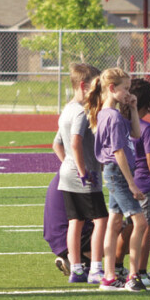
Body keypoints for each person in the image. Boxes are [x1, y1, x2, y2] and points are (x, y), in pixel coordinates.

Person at [85, 67, 148, 292]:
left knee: (114, 224)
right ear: (112, 89)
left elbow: (137, 134)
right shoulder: (110, 115)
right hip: (117, 173)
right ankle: (132, 275)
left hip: (115, 172)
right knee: (140, 222)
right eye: (126, 89)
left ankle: (109, 276)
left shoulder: (111, 113)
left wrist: (131, 108)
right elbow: (119, 152)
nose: (129, 92)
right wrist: (131, 184)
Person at [53, 63, 108, 284]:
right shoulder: (83, 111)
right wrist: (83, 171)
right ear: (84, 86)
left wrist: (68, 164)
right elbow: (75, 142)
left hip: (68, 173)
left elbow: (57, 144)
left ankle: (76, 269)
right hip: (83, 176)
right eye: (97, 87)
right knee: (101, 220)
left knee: (75, 221)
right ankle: (95, 268)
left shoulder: (67, 109)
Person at [120, 78, 150, 286]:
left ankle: (119, 266)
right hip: (144, 183)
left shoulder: (121, 123)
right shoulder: (148, 128)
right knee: (146, 229)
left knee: (126, 227)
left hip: (125, 182)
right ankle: (142, 272)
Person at [43, 172, 93, 276]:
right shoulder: (79, 177)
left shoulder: (66, 173)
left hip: (57, 239)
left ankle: (73, 260)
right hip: (68, 238)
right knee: (119, 229)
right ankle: (82, 261)